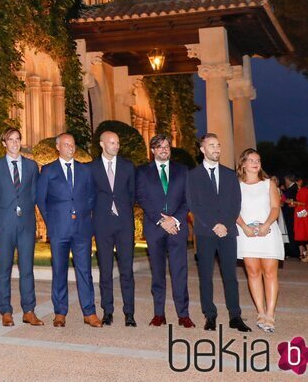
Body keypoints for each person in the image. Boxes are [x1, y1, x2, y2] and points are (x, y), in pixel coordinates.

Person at [186, 133, 250, 332]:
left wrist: (226, 224)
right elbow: (193, 204)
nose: (216, 149)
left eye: (218, 145)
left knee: (230, 275)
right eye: (211, 145)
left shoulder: (230, 174)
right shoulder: (193, 175)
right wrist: (214, 224)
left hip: (228, 233)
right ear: (202, 149)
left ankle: (235, 316)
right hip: (205, 232)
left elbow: (236, 203)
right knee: (205, 276)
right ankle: (210, 315)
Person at [36, 133, 100, 328]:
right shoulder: (48, 171)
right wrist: (52, 221)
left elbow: (92, 197)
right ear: (58, 147)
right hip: (59, 230)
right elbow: (41, 199)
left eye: (72, 144)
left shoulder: (85, 170)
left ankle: (89, 313)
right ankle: (60, 312)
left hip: (82, 229)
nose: (70, 148)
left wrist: (84, 214)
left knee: (84, 271)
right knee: (59, 271)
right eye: (66, 144)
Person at [135, 135, 194, 328]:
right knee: (158, 272)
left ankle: (183, 314)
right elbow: (142, 198)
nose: (164, 149)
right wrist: (161, 220)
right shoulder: (143, 172)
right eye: (159, 147)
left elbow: (188, 199)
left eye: (167, 146)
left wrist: (174, 219)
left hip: (178, 227)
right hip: (155, 228)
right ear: (152, 151)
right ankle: (158, 313)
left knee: (179, 272)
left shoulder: (183, 171)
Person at [0, 127, 43, 327]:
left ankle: (29, 310)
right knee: (5, 269)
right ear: (4, 143)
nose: (15, 143)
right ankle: (6, 311)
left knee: (27, 268)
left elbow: (35, 195)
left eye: (18, 139)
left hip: (26, 224)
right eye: (11, 139)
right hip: (4, 224)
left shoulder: (32, 166)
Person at [234, 148, 284, 333]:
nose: (256, 163)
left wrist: (265, 225)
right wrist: (245, 227)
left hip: (268, 232)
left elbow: (275, 207)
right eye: (252, 160)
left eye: (258, 160)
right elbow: (233, 209)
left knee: (270, 273)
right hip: (246, 233)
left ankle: (270, 314)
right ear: (243, 164)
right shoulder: (236, 185)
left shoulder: (268, 183)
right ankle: (260, 312)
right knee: (253, 272)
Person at [92, 130, 136, 327]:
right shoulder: (92, 168)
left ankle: (129, 312)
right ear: (102, 144)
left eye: (118, 142)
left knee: (127, 270)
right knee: (106, 270)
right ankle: (107, 311)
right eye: (112, 142)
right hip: (102, 225)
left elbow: (132, 194)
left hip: (124, 224)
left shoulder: (128, 167)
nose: (116, 146)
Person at [281, 175, 301, 259]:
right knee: (290, 232)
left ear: (287, 179)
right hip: (289, 213)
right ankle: (293, 250)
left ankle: (294, 251)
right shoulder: (290, 188)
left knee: (291, 232)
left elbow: (293, 201)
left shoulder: (293, 188)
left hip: (291, 213)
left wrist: (285, 200)